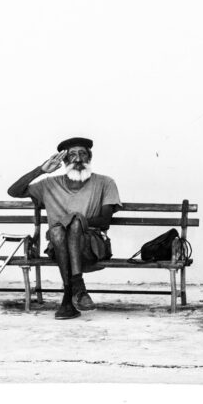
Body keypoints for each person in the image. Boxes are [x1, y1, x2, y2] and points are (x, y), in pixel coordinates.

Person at [7, 137, 122, 319]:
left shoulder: (105, 183)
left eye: (82, 153)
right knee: (58, 231)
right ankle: (78, 289)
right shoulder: (49, 184)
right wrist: (41, 170)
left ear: (89, 158)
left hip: (90, 247)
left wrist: (75, 219)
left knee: (73, 222)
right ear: (65, 161)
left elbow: (105, 221)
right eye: (72, 155)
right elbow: (14, 191)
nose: (78, 158)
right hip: (58, 246)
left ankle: (69, 296)